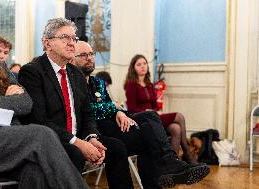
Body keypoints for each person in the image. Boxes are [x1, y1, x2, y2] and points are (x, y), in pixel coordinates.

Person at [0, 10, 89, 189]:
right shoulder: (32, 70)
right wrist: (7, 100)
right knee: (41, 134)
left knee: (36, 170)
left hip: (5, 143)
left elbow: (25, 103)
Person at [73, 41, 210, 189]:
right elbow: (91, 110)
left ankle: (169, 161)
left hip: (114, 123)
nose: (89, 58)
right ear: (72, 59)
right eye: (83, 55)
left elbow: (112, 106)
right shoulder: (73, 82)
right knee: (149, 135)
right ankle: (167, 164)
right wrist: (115, 108)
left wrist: (119, 111)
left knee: (151, 117)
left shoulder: (97, 82)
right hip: (96, 129)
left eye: (91, 54)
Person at [18, 18, 133, 189]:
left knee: (115, 148)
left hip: (79, 137)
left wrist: (91, 138)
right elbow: (38, 120)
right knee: (74, 153)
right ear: (47, 43)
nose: (72, 43)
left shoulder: (76, 74)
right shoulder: (32, 71)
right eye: (65, 37)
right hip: (52, 140)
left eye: (74, 38)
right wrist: (78, 143)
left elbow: (87, 115)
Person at [124, 54, 199, 164]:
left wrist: (154, 111)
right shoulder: (131, 85)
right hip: (142, 119)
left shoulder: (149, 84)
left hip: (154, 116)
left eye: (144, 63)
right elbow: (131, 109)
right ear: (133, 68)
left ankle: (173, 163)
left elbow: (155, 105)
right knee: (179, 116)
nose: (143, 66)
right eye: (139, 64)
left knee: (175, 128)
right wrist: (146, 111)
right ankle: (187, 152)